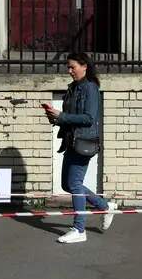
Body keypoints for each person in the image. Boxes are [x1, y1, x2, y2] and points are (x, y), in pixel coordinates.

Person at [44, 52, 117, 244]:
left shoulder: (90, 88)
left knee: (74, 183)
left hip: (84, 142)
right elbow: (71, 115)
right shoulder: (74, 87)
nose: (69, 71)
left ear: (84, 66)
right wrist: (56, 118)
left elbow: (89, 118)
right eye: (68, 67)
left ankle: (79, 229)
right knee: (67, 185)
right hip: (71, 140)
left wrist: (62, 116)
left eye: (72, 67)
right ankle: (105, 205)